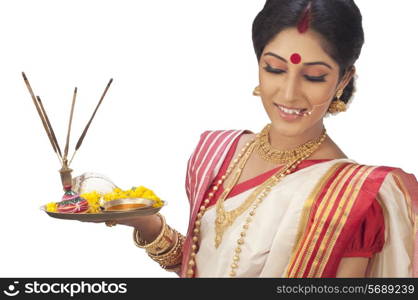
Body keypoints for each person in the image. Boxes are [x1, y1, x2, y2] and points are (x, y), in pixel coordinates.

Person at [79, 0, 418, 278]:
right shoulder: (215, 154)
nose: (289, 93)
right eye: (274, 69)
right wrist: (147, 223)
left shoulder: (352, 199)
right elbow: (199, 268)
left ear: (343, 80)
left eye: (314, 76)